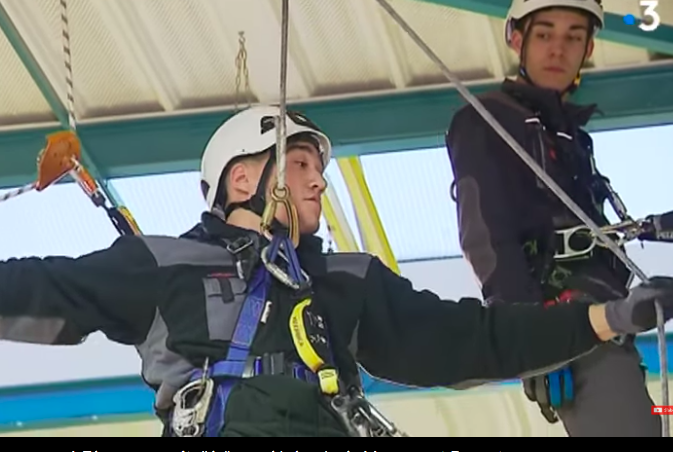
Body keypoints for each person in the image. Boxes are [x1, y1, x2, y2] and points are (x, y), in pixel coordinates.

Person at [2, 105, 673, 438]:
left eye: (319, 172)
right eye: (300, 166)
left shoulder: (345, 281)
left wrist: (606, 319)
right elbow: (38, 289)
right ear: (243, 176)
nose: (320, 183)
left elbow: (470, 339)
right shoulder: (163, 264)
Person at [445, 0, 668, 438]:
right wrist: (530, 340)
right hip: (564, 321)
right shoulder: (488, 120)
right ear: (516, 39)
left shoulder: (566, 133)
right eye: (544, 34)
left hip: (607, 316)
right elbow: (486, 237)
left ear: (588, 48)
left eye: (573, 37)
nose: (557, 49)